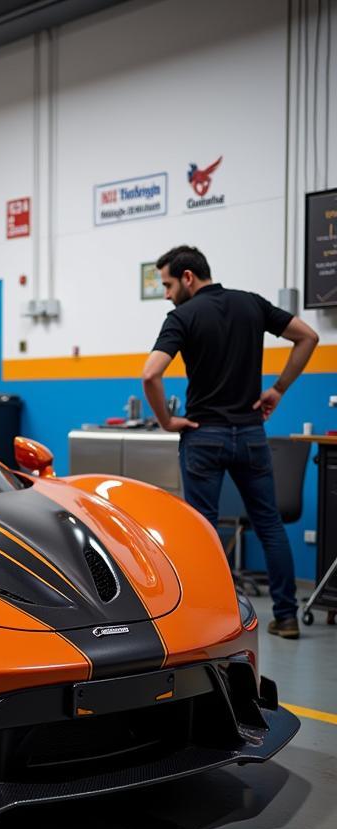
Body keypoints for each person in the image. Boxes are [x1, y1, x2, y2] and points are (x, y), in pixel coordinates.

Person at [142, 245, 319, 639]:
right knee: (270, 525)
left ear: (188, 277)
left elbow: (151, 374)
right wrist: (278, 389)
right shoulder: (251, 305)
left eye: (169, 284)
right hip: (252, 434)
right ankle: (286, 616)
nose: (167, 295)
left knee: (203, 529)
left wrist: (168, 420)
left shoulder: (182, 317)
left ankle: (211, 617)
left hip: (204, 436)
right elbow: (308, 337)